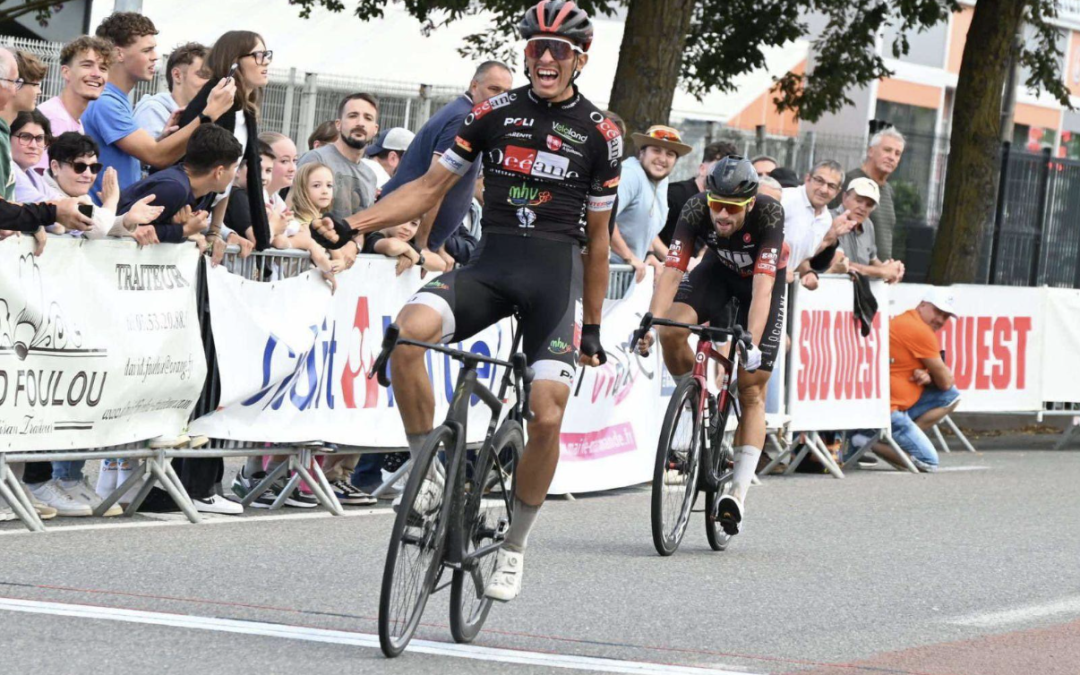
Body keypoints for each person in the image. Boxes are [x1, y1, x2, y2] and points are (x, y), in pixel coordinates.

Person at [312, 0, 617, 602]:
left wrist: (594, 327)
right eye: (535, 47)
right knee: (407, 334)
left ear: (581, 59)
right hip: (492, 267)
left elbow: (601, 242)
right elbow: (428, 187)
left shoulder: (601, 134)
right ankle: (429, 468)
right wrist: (354, 224)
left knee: (548, 411)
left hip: (553, 285)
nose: (545, 58)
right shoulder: (493, 112)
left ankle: (516, 545)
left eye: (558, 50)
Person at [637, 156, 786, 537]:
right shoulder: (695, 207)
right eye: (716, 203)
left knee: (752, 387)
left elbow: (763, 288)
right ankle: (699, 397)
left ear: (749, 204)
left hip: (759, 283)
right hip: (717, 273)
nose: (721, 213)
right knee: (673, 330)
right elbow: (673, 269)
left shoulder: (769, 214)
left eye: (731, 208)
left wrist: (750, 340)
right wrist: (652, 320)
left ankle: (736, 493)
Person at [83, 13, 235, 198]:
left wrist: (161, 141)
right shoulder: (105, 102)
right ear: (119, 54)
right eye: (147, 50)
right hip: (103, 220)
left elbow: (148, 156)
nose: (155, 57)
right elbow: (157, 157)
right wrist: (209, 114)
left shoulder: (117, 99)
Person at [377, 61, 513, 263]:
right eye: (494, 89)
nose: (500, 98)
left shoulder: (470, 116)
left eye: (506, 93)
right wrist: (423, 245)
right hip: (402, 234)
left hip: (416, 238)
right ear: (474, 85)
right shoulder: (463, 119)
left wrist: (439, 245)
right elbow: (436, 183)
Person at [178, 30, 271, 259]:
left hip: (202, 221)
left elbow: (227, 175)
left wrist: (215, 231)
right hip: (180, 217)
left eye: (267, 54)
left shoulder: (244, 113)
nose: (266, 61)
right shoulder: (214, 102)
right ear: (234, 61)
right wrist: (187, 226)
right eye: (258, 55)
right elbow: (189, 168)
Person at [850, 288, 960, 473]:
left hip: (895, 403)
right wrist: (932, 375)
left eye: (946, 316)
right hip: (891, 410)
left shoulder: (909, 320)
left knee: (951, 396)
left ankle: (900, 440)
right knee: (929, 462)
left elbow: (941, 381)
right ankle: (864, 441)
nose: (940, 320)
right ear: (922, 305)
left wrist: (927, 374)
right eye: (937, 312)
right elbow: (946, 380)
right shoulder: (919, 330)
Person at [610, 125, 691, 282]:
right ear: (641, 152)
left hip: (628, 276)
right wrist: (629, 257)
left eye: (670, 154)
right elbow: (604, 218)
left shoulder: (661, 181)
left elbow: (646, 226)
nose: (662, 158)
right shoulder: (631, 174)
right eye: (656, 150)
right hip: (607, 271)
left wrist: (651, 254)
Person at [35, 36, 112, 172]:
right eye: (87, 65)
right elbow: (39, 178)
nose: (96, 74)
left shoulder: (73, 120)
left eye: (103, 68)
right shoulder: (53, 119)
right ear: (66, 72)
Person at [297, 92, 379, 221]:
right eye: (353, 116)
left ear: (375, 130)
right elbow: (296, 214)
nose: (360, 123)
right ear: (338, 124)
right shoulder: (316, 159)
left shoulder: (370, 176)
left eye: (368, 118)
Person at [840, 127, 905, 260]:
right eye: (887, 150)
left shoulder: (887, 190)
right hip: (853, 272)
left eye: (897, 153)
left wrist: (890, 265)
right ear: (870, 151)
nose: (892, 157)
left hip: (880, 274)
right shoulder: (850, 182)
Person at [780, 160, 844, 290]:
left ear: (838, 191)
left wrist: (808, 272)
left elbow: (799, 257)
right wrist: (777, 270)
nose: (824, 189)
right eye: (819, 181)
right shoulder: (784, 199)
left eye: (831, 186)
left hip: (782, 288)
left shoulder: (826, 220)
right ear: (807, 178)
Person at [661, 140, 737, 247]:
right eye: (718, 168)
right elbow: (647, 228)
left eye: (729, 171)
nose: (723, 175)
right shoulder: (676, 194)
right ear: (702, 169)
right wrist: (670, 258)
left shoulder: (724, 205)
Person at [830, 177, 905, 283]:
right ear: (845, 197)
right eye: (859, 200)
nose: (863, 207)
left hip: (857, 293)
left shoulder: (868, 224)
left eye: (869, 204)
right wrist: (882, 271)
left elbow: (873, 260)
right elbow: (839, 264)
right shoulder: (830, 219)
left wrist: (893, 269)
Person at [133, 42, 208, 140]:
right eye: (203, 75)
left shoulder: (205, 115)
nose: (209, 83)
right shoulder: (152, 111)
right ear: (177, 75)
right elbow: (146, 154)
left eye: (213, 78)